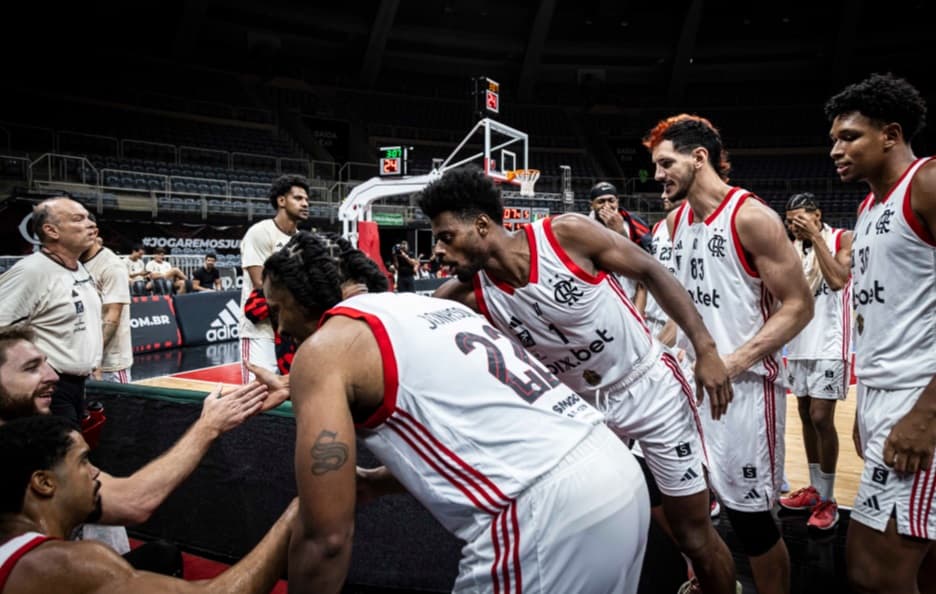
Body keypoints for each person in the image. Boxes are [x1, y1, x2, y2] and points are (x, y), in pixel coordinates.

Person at [260, 231, 650, 594]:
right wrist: (380, 482)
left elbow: (325, 540)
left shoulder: (326, 348)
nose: (278, 329)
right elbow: (489, 428)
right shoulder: (425, 307)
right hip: (616, 475)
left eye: (278, 310)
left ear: (301, 293)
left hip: (547, 516)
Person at [419, 167, 738, 594]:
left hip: (648, 387)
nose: (439, 250)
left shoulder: (564, 236)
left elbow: (651, 271)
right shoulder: (467, 294)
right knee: (580, 525)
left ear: (481, 225)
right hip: (582, 410)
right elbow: (406, 331)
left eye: (446, 236)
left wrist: (706, 349)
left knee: (694, 536)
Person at [646, 114, 813, 594]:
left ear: (699, 158)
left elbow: (799, 306)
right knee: (676, 499)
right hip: (690, 381)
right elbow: (686, 300)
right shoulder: (676, 221)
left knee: (752, 522)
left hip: (743, 390)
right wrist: (664, 346)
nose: (658, 175)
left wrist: (730, 361)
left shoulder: (751, 216)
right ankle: (711, 581)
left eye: (665, 164)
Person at [825, 73, 936, 594]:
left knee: (873, 571)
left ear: (890, 134)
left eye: (849, 137)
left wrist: (925, 414)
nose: (836, 149)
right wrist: (866, 405)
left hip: (919, 398)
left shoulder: (928, 183)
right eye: (833, 140)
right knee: (920, 565)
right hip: (881, 397)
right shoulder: (870, 208)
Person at [0, 415, 297, 594]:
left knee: (161, 556)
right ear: (44, 482)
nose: (95, 472)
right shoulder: (62, 564)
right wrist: (292, 517)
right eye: (83, 461)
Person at [779, 192, 853, 531]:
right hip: (797, 344)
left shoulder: (841, 237)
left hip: (828, 342)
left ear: (817, 215)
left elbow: (838, 279)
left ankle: (829, 499)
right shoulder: (790, 248)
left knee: (822, 417)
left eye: (801, 219)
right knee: (806, 415)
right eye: (790, 220)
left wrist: (816, 237)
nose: (795, 225)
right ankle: (814, 489)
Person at [0, 196, 102, 427]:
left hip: (78, 385)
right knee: (58, 458)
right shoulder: (31, 272)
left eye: (88, 218)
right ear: (51, 231)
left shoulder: (78, 267)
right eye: (78, 219)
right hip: (48, 388)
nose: (90, 224)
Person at [238, 174, 310, 382]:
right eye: (298, 198)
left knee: (291, 395)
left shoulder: (302, 240)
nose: (305, 203)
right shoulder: (260, 233)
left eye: (306, 200)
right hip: (260, 332)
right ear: (281, 201)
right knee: (255, 396)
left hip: (291, 330)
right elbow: (261, 285)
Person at [587, 181, 653, 312]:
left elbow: (644, 264)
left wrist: (621, 233)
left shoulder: (633, 223)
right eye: (601, 202)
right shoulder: (584, 227)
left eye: (611, 200)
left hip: (629, 297)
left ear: (617, 201)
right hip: (597, 302)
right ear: (591, 205)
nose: (607, 206)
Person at [82, 236, 134, 384]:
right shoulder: (73, 263)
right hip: (81, 360)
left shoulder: (111, 266)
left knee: (117, 404)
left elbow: (113, 314)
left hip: (109, 363)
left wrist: (96, 357)